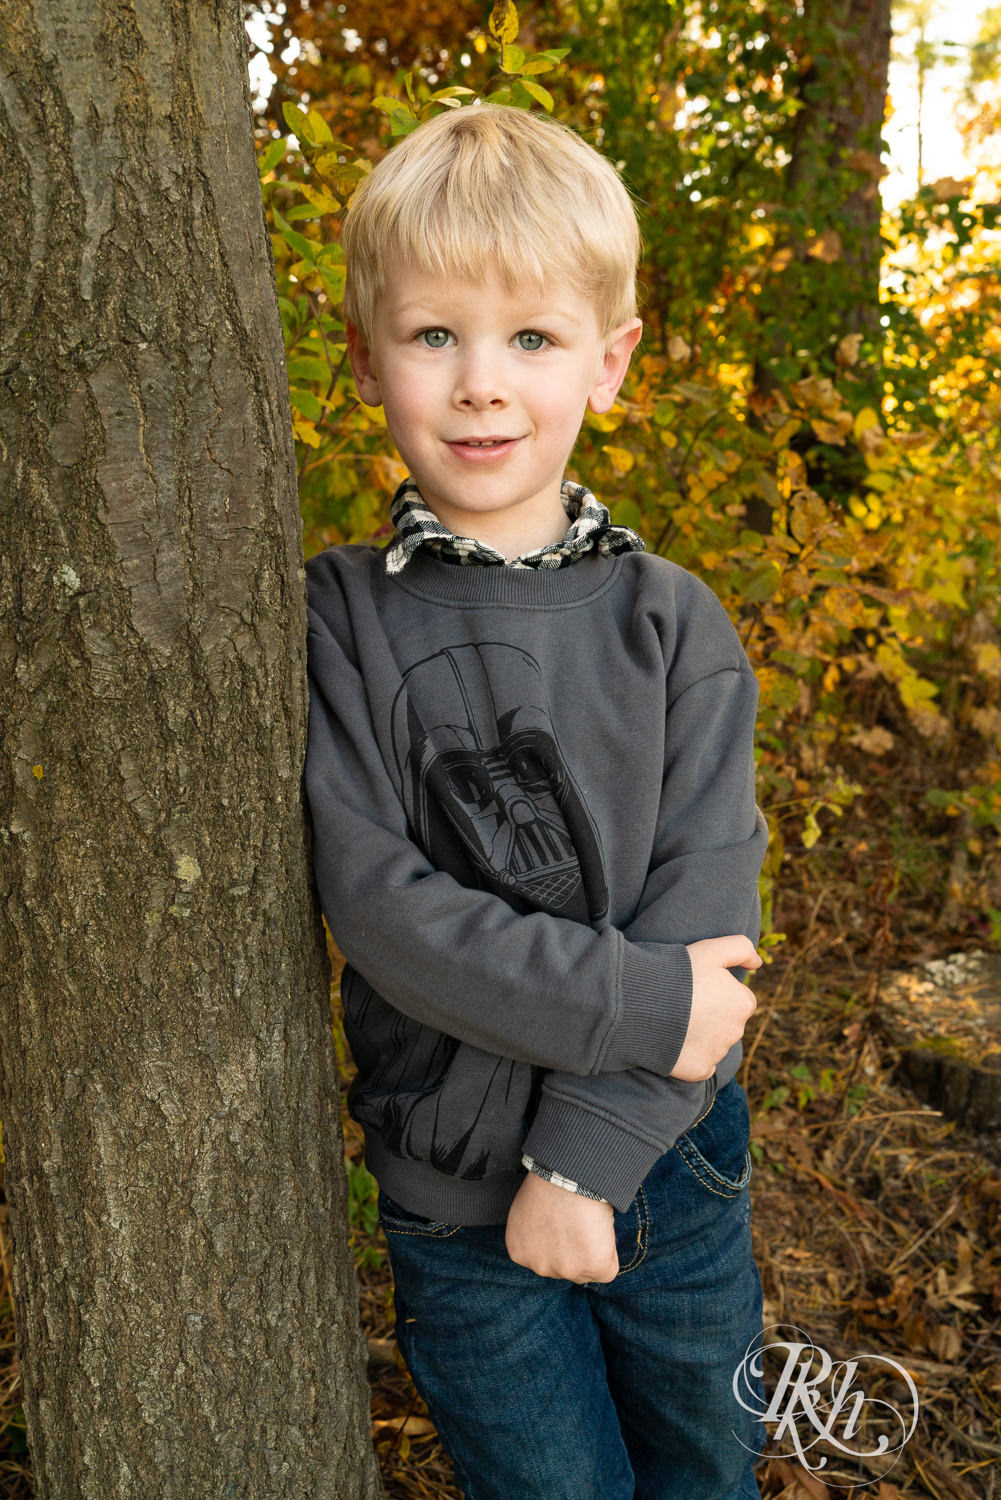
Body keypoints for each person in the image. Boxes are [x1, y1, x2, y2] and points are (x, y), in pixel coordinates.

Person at [304, 103, 770, 1500]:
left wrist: (585, 1161)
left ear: (608, 362)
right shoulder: (337, 620)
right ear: (366, 359)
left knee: (704, 1472)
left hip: (670, 1168)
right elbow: (384, 907)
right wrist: (637, 1014)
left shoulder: (671, 625)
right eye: (432, 335)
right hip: (451, 1191)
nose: (478, 385)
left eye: (531, 338)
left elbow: (706, 910)